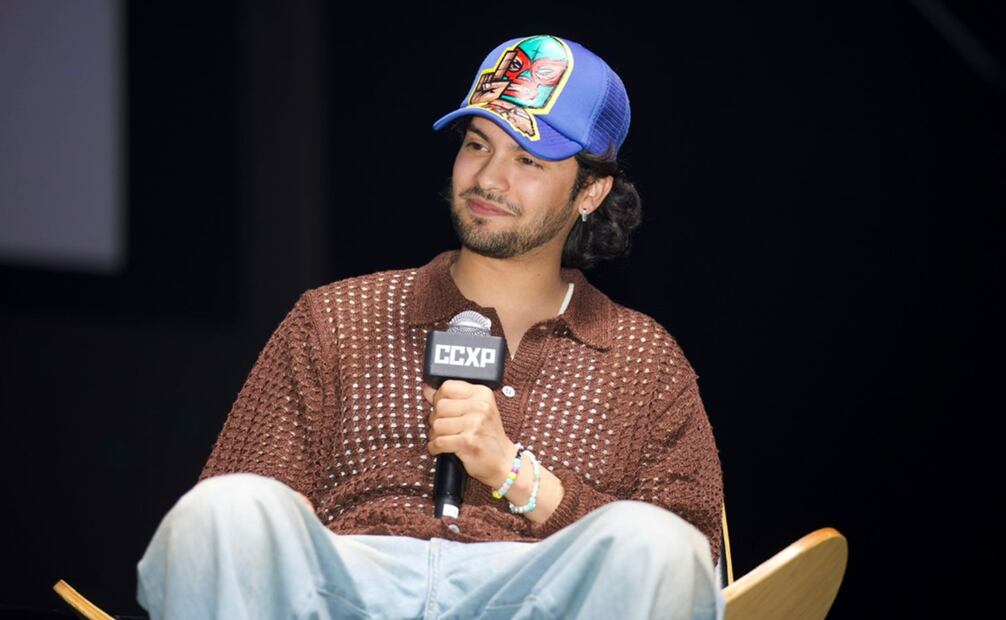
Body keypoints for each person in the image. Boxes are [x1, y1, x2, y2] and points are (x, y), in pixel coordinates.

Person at [136, 34, 725, 620]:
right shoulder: (338, 316)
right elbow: (232, 524)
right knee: (223, 509)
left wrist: (514, 474)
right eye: (477, 145)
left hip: (535, 592)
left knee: (658, 544)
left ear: (591, 191)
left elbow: (695, 558)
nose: (489, 179)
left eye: (527, 160)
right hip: (350, 582)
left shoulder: (644, 359)